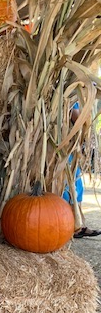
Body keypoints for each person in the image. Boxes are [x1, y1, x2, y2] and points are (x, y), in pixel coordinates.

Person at [63, 101, 100, 238]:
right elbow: (77, 117)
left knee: (76, 185)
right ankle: (73, 226)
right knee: (70, 185)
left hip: (70, 146)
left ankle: (78, 224)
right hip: (64, 145)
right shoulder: (72, 96)